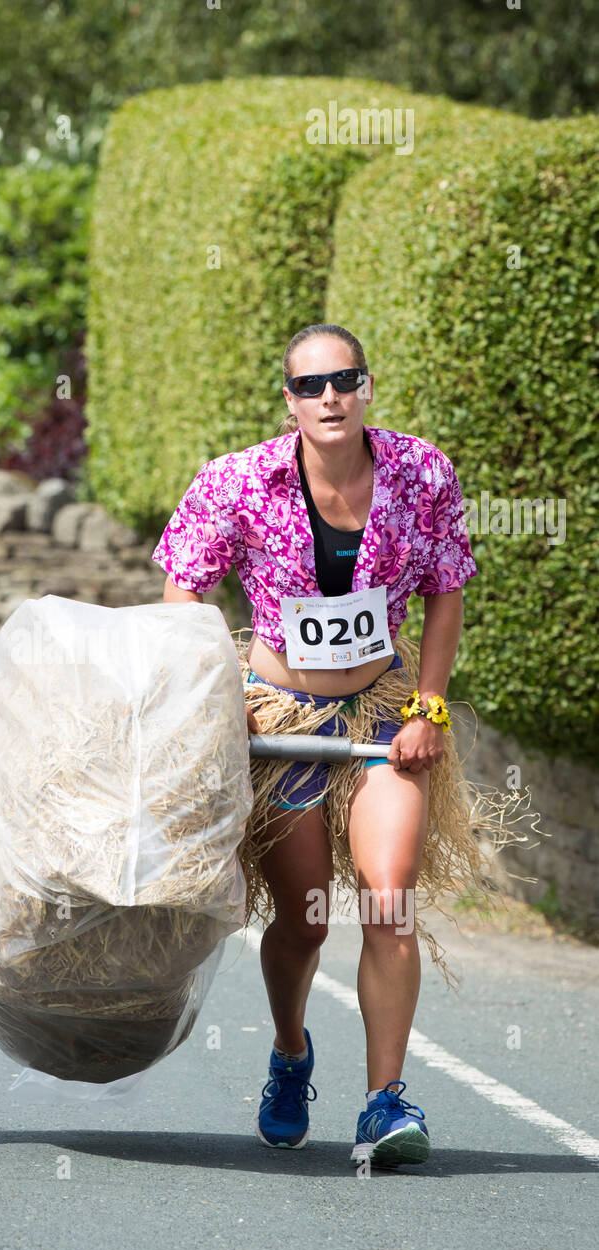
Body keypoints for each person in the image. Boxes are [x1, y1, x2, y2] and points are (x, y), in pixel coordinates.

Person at [152, 322, 488, 1168]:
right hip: (281, 718)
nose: (329, 397)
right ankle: (292, 1053)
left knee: (387, 896)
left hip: (382, 715)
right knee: (304, 921)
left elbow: (447, 591)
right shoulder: (237, 480)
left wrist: (430, 708)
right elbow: (182, 590)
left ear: (367, 386)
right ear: (289, 398)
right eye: (310, 386)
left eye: (344, 380)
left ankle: (384, 1103)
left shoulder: (422, 472)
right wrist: (212, 699)